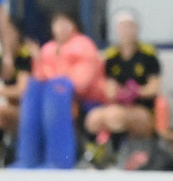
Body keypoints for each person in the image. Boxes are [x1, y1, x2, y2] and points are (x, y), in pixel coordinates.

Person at [12, 11, 104, 169]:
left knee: (57, 90)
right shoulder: (48, 48)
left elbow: (81, 83)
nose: (61, 27)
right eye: (57, 23)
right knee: (33, 90)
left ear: (74, 25)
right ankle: (29, 158)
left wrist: (53, 80)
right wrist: (38, 60)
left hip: (82, 99)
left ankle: (59, 159)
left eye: (65, 23)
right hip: (50, 97)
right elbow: (40, 77)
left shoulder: (84, 45)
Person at [82, 9, 161, 167]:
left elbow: (154, 88)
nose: (126, 31)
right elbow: (109, 89)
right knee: (93, 118)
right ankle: (92, 155)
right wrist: (120, 93)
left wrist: (136, 92)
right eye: (122, 27)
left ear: (136, 28)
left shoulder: (148, 54)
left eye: (129, 26)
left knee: (115, 116)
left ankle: (115, 155)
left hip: (142, 109)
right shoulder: (112, 56)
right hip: (118, 106)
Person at [0, 18, 35, 164]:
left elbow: (22, 90)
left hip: (27, 111)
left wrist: (2, 92)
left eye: (9, 32)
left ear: (17, 34)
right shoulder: (3, 58)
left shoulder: (24, 56)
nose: (5, 37)